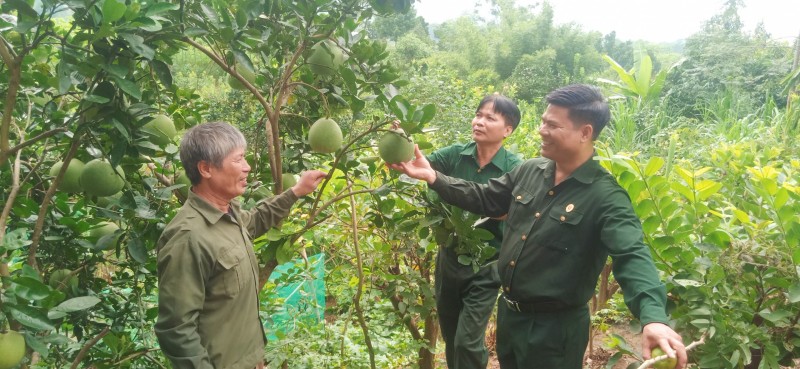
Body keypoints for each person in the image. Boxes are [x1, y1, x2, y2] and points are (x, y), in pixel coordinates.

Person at [390, 85, 687, 369]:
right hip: (511, 316)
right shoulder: (530, 170)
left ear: (585, 133)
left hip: (554, 331)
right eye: (543, 122)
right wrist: (433, 177)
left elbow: (632, 255)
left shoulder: (605, 197)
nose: (541, 130)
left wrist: (654, 318)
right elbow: (486, 198)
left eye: (552, 126)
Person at [155, 122, 326, 369]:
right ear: (205, 169)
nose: (247, 167)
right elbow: (176, 329)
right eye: (238, 160)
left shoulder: (228, 212)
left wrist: (297, 191)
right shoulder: (188, 236)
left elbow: (256, 219)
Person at [427, 94, 522, 369]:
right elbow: (420, 165)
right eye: (478, 115)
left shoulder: (514, 167)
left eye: (489, 118)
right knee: (452, 337)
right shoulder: (455, 155)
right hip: (450, 259)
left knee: (468, 342)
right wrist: (401, 141)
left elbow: (511, 209)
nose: (479, 121)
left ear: (507, 130)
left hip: (486, 264)